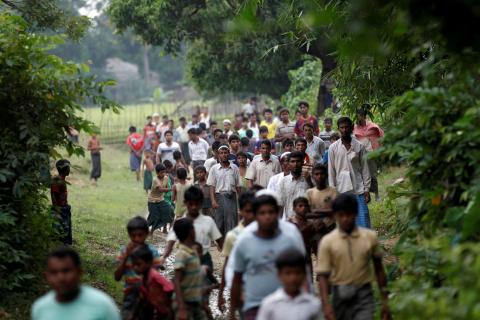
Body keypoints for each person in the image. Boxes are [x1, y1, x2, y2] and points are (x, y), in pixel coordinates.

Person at [230, 195, 306, 320]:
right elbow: (236, 279)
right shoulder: (244, 242)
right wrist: (232, 313)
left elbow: (301, 273)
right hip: (254, 308)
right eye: (262, 213)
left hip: (285, 306)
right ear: (255, 215)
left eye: (271, 212)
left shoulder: (288, 240)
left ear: (277, 213)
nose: (267, 216)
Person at [317, 193, 391, 320]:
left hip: (364, 293)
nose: (345, 218)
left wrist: (385, 301)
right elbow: (323, 275)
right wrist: (326, 304)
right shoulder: (327, 242)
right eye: (341, 215)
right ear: (335, 216)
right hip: (339, 294)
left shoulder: (369, 237)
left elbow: (379, 270)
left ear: (356, 213)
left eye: (349, 214)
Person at [32, 247, 120, 320]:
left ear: (79, 272)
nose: (60, 278)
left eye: (66, 271)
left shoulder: (102, 305)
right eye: (54, 272)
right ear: (46, 276)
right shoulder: (40, 309)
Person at [161, 186, 223, 270]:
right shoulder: (179, 223)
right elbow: (170, 243)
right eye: (191, 204)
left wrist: (228, 257)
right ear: (185, 203)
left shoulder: (208, 221)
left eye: (196, 204)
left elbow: (219, 241)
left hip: (204, 260)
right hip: (185, 260)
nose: (194, 207)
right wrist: (163, 257)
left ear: (201, 203)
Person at [114, 216, 161, 319]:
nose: (137, 239)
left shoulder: (152, 252)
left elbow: (155, 275)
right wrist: (126, 256)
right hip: (130, 295)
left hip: (148, 295)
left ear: (147, 233)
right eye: (133, 236)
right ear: (129, 235)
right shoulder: (124, 251)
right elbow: (117, 277)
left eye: (140, 235)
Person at [328, 117, 371, 228]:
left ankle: (365, 243)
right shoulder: (333, 148)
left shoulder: (359, 146)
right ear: (338, 129)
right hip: (341, 189)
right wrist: (333, 191)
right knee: (345, 219)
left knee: (363, 216)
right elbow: (331, 171)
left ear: (351, 128)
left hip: (358, 187)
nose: (345, 129)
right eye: (342, 127)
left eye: (347, 127)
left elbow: (365, 168)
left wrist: (367, 189)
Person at [256, 249, 322, 320]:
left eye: (298, 273)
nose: (293, 278)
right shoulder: (269, 304)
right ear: (279, 275)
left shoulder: (313, 304)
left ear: (304, 274)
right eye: (288, 273)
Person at [218, 191, 255, 313]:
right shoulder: (233, 236)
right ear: (241, 211)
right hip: (243, 290)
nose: (252, 215)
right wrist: (221, 293)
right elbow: (227, 264)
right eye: (248, 211)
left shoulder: (265, 232)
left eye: (254, 211)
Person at [171, 218, 207, 320]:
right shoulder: (182, 254)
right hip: (184, 303)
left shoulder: (193, 251)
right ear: (191, 231)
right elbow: (176, 281)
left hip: (195, 301)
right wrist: (181, 308)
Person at [130, 245, 174, 320]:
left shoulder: (154, 276)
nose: (135, 268)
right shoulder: (144, 279)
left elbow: (171, 290)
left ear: (149, 263)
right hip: (156, 310)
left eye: (138, 264)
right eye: (133, 264)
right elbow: (142, 300)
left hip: (166, 311)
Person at [207, 145, 242, 236]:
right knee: (219, 223)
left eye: (225, 153)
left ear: (229, 154)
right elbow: (211, 186)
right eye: (221, 153)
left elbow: (238, 186)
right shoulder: (214, 169)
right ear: (218, 155)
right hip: (219, 197)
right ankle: (221, 244)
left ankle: (229, 244)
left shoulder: (234, 168)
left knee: (231, 222)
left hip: (231, 197)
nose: (224, 155)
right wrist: (213, 200)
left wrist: (241, 201)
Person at [354, 107, 384, 201]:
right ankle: (367, 196)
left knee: (373, 175)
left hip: (371, 154)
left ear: (363, 116)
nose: (358, 118)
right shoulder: (354, 128)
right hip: (360, 155)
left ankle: (377, 194)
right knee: (362, 175)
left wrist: (379, 150)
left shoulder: (372, 126)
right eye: (357, 116)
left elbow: (381, 136)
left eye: (359, 116)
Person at [278, 151, 312, 220]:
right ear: (288, 163)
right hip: (289, 221)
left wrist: (309, 182)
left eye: (298, 161)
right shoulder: (283, 182)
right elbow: (280, 205)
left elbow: (314, 198)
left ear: (302, 163)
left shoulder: (309, 180)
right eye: (292, 161)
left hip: (307, 222)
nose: (295, 164)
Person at [147, 164, 173, 234]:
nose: (163, 174)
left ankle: (163, 228)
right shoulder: (155, 179)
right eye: (162, 172)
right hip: (152, 201)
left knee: (168, 210)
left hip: (161, 200)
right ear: (157, 173)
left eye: (164, 172)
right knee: (154, 217)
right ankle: (149, 230)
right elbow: (161, 189)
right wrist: (171, 189)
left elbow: (168, 186)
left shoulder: (166, 178)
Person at [51, 159, 72, 245]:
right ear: (65, 169)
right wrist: (57, 209)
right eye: (68, 168)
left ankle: (64, 244)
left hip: (64, 208)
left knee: (66, 228)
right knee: (61, 228)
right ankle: (61, 244)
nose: (69, 170)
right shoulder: (57, 180)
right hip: (59, 209)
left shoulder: (62, 179)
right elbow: (54, 195)